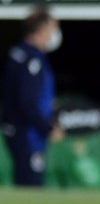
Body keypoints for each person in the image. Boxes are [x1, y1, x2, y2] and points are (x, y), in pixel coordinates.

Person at [1, 6, 65, 186]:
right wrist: (48, 128)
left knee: (27, 180)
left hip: (21, 130)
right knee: (30, 184)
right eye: (53, 28)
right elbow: (28, 102)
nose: (55, 34)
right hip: (27, 133)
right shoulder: (30, 59)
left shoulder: (22, 55)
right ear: (42, 30)